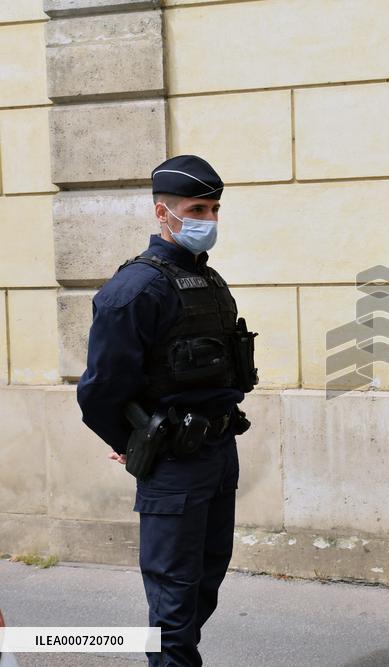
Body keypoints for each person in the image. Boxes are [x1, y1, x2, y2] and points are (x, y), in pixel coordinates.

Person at [77, 155, 258, 667]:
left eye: (216, 208)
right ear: (163, 214)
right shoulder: (135, 290)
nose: (210, 219)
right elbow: (99, 390)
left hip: (219, 453)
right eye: (198, 208)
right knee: (175, 599)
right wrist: (132, 442)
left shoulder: (208, 280)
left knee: (205, 581)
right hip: (175, 461)